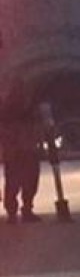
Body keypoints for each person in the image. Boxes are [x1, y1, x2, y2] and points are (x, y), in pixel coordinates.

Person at [1, 79, 46, 224]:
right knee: (26, 181)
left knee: (15, 182)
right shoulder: (27, 109)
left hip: (18, 150)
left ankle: (15, 212)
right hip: (24, 149)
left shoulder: (9, 110)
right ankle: (24, 210)